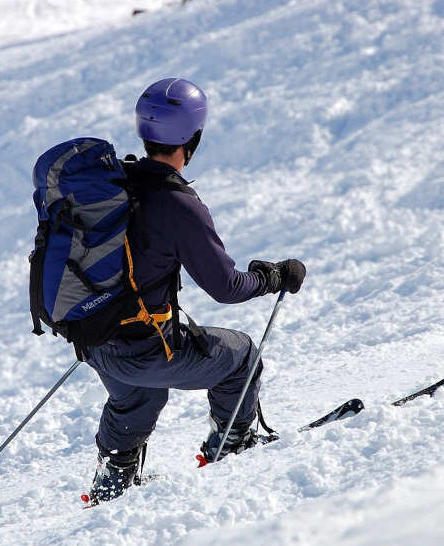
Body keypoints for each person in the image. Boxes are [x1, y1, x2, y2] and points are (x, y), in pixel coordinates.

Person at [82, 78, 306, 504]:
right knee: (240, 355)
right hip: (141, 347)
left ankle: (113, 477)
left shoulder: (116, 186)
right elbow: (226, 286)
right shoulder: (177, 204)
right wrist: (272, 277)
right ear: (194, 138)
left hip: (95, 339)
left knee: (139, 394)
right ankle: (233, 443)